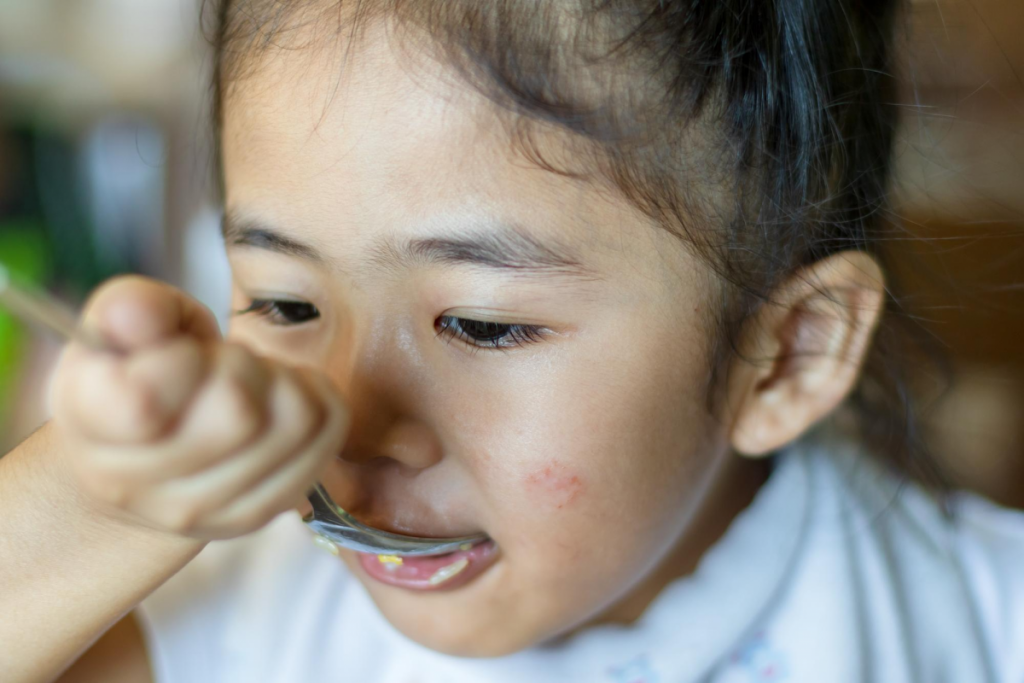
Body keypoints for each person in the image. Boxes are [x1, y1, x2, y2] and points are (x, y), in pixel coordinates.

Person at [3, 1, 1022, 681]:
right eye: (285, 302)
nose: (350, 421)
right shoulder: (239, 609)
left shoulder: (974, 620)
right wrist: (102, 499)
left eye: (482, 323)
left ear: (787, 352)